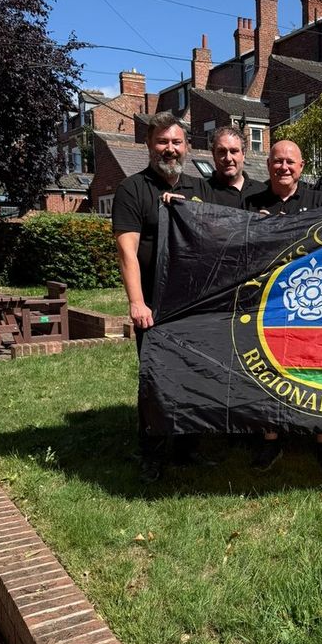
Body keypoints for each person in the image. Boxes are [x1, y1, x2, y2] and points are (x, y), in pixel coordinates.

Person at [112, 112, 212, 483]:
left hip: (193, 305)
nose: (169, 149)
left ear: (187, 146)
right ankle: (152, 453)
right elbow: (127, 251)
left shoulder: (198, 188)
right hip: (154, 305)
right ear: (149, 145)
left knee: (194, 375)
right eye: (162, 142)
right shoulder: (132, 189)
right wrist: (137, 302)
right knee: (155, 379)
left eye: (176, 142)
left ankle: (187, 448)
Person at [245, 140, 322, 472]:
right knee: (268, 370)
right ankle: (271, 440)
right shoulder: (251, 202)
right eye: (277, 161)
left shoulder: (321, 201)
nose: (283, 167)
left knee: (319, 370)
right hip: (268, 303)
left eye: (290, 162)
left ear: (301, 166)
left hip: (316, 302)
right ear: (268, 164)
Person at [207, 125, 265, 208]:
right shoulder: (203, 194)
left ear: (243, 154)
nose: (228, 158)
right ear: (213, 155)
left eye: (234, 151)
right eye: (222, 151)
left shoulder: (263, 192)